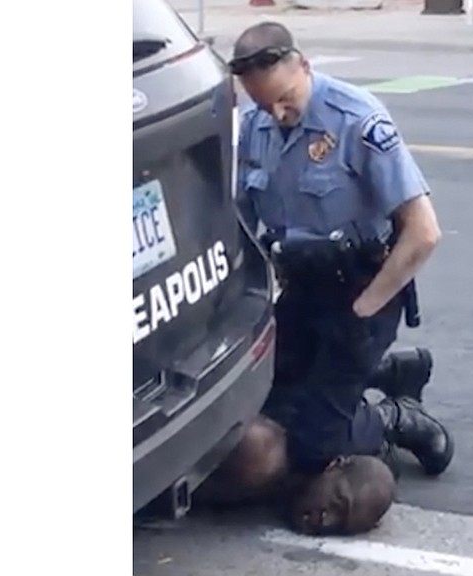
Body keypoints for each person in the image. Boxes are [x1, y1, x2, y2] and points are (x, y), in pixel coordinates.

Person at [193, 21, 454, 517]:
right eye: (265, 103)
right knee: (268, 399)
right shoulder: (257, 128)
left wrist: (365, 309)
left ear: (304, 67)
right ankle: (389, 371)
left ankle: (395, 416)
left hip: (362, 289)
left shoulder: (357, 120)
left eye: (286, 99)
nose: (279, 113)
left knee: (311, 446)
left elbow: (423, 231)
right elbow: (244, 220)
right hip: (300, 289)